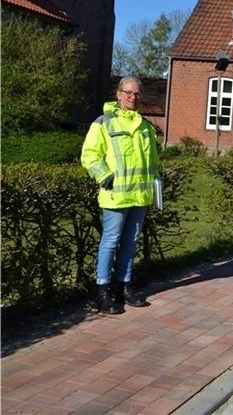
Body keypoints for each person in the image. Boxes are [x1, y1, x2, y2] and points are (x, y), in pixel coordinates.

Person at [81, 77, 159, 314]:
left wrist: (155, 188)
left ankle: (123, 286)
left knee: (130, 243)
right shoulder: (103, 123)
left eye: (136, 94)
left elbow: (153, 162)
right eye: (128, 92)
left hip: (140, 196)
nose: (132, 97)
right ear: (118, 94)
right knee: (110, 242)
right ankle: (102, 291)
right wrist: (105, 178)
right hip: (115, 196)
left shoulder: (146, 126)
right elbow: (89, 155)